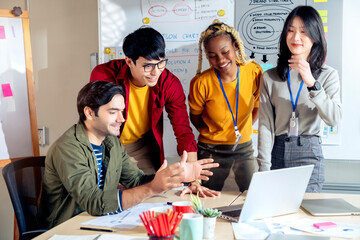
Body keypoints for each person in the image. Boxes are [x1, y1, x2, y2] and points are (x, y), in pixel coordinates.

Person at [38, 81, 218, 228]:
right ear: (89, 113)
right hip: (66, 228)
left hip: (96, 222)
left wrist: (175, 177)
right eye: (113, 112)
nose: (122, 119)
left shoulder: (111, 142)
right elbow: (94, 202)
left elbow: (135, 181)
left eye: (122, 111)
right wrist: (152, 188)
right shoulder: (68, 148)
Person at [90, 26, 219, 197]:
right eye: (148, 66)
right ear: (129, 61)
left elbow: (183, 129)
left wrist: (194, 178)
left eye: (161, 63)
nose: (155, 72)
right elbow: (97, 124)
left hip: (140, 147)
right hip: (106, 143)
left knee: (151, 195)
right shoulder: (104, 75)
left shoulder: (169, 82)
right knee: (105, 198)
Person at [257, 6, 342, 192]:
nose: (296, 38)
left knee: (306, 216)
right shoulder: (270, 77)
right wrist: (263, 168)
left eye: (303, 32)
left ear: (315, 37)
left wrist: (311, 82)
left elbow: (334, 118)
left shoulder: (328, 75)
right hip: (277, 152)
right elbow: (265, 126)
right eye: (291, 30)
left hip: (309, 153)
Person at [185, 19, 263, 193]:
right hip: (210, 151)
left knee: (251, 196)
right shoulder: (201, 82)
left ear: (235, 46)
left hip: (243, 148)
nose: (220, 59)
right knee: (207, 200)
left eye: (225, 51)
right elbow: (195, 117)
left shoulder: (254, 71)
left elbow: (257, 106)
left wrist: (244, 130)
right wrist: (214, 134)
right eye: (212, 55)